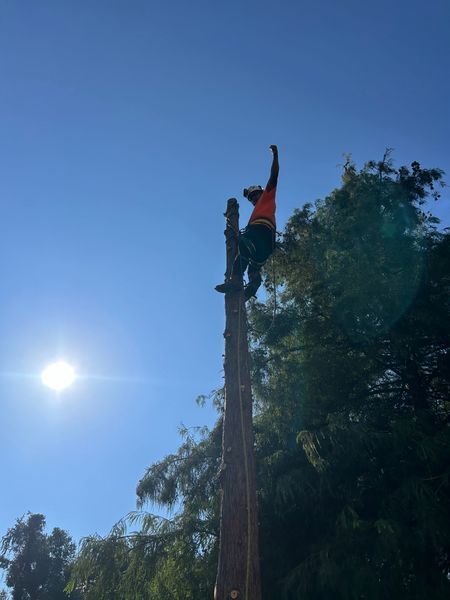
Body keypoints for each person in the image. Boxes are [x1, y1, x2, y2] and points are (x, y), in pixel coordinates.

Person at [215, 144, 279, 301]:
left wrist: (275, 155)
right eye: (251, 198)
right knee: (253, 263)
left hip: (262, 232)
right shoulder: (257, 209)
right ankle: (251, 284)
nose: (254, 200)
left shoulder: (268, 196)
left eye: (255, 196)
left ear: (261, 193)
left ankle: (236, 282)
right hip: (265, 243)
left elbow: (274, 176)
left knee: (243, 245)